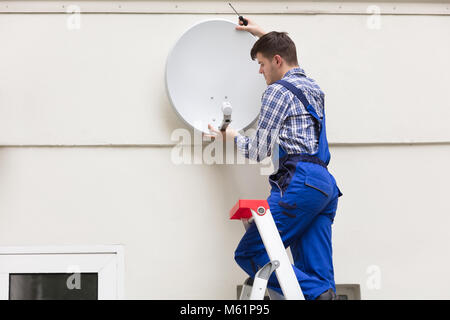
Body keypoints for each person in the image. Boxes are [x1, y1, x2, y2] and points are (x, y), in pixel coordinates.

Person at [205, 17, 343, 300]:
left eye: (262, 64)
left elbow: (258, 151)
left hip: (301, 183)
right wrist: (262, 34)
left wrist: (230, 136)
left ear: (277, 61)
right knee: (317, 272)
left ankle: (319, 294)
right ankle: (322, 293)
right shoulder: (312, 87)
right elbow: (289, 56)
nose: (260, 71)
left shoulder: (277, 92)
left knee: (250, 253)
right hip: (324, 187)